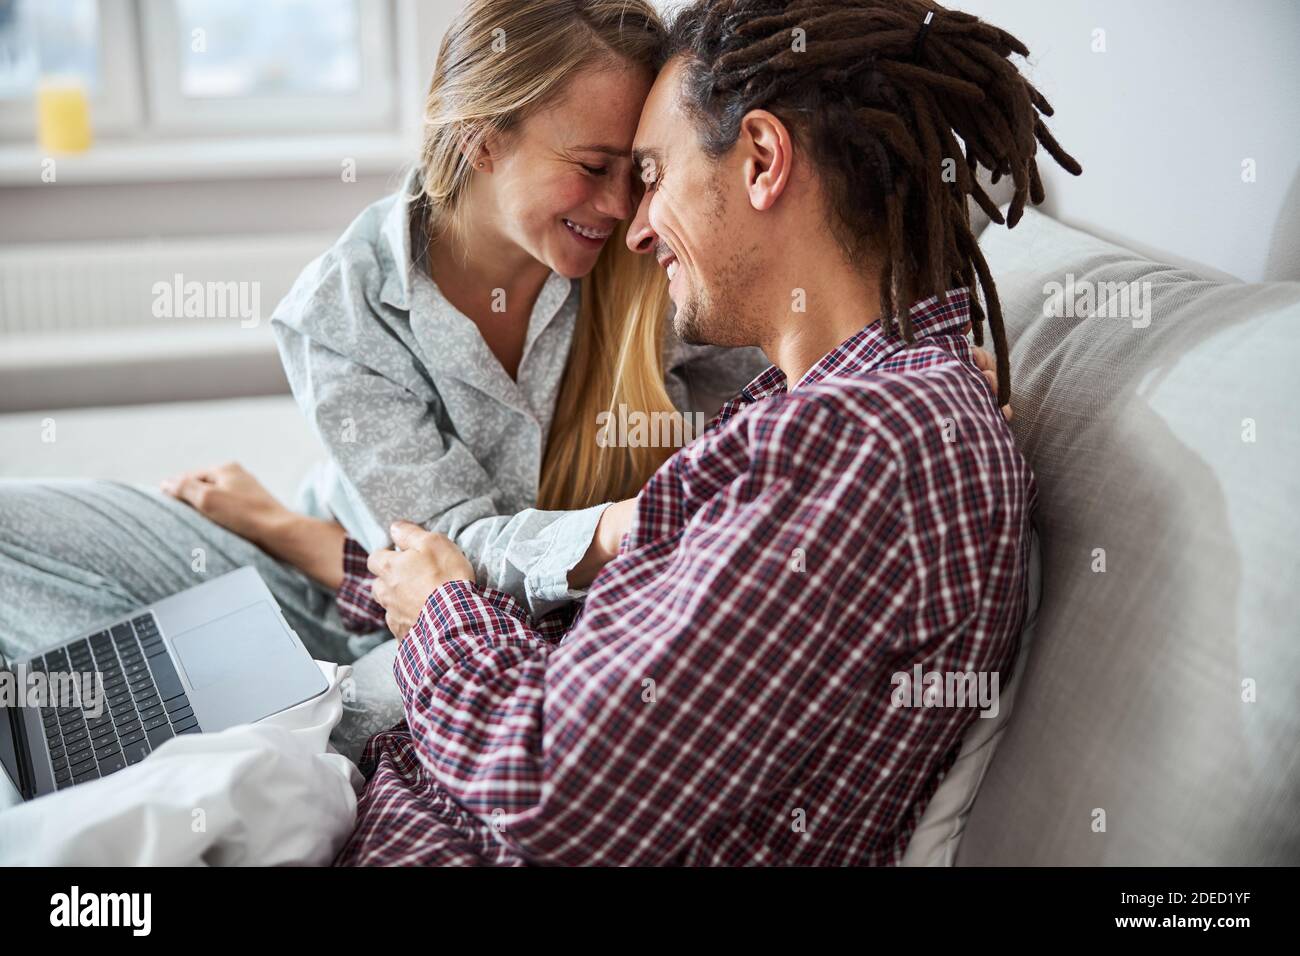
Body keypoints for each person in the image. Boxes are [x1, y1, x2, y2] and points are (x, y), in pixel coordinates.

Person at [331, 0, 1080, 867]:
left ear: (762, 159)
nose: (636, 227)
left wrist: (440, 614)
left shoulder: (869, 443)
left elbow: (553, 787)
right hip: (406, 792)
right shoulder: (840, 407)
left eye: (651, 173)